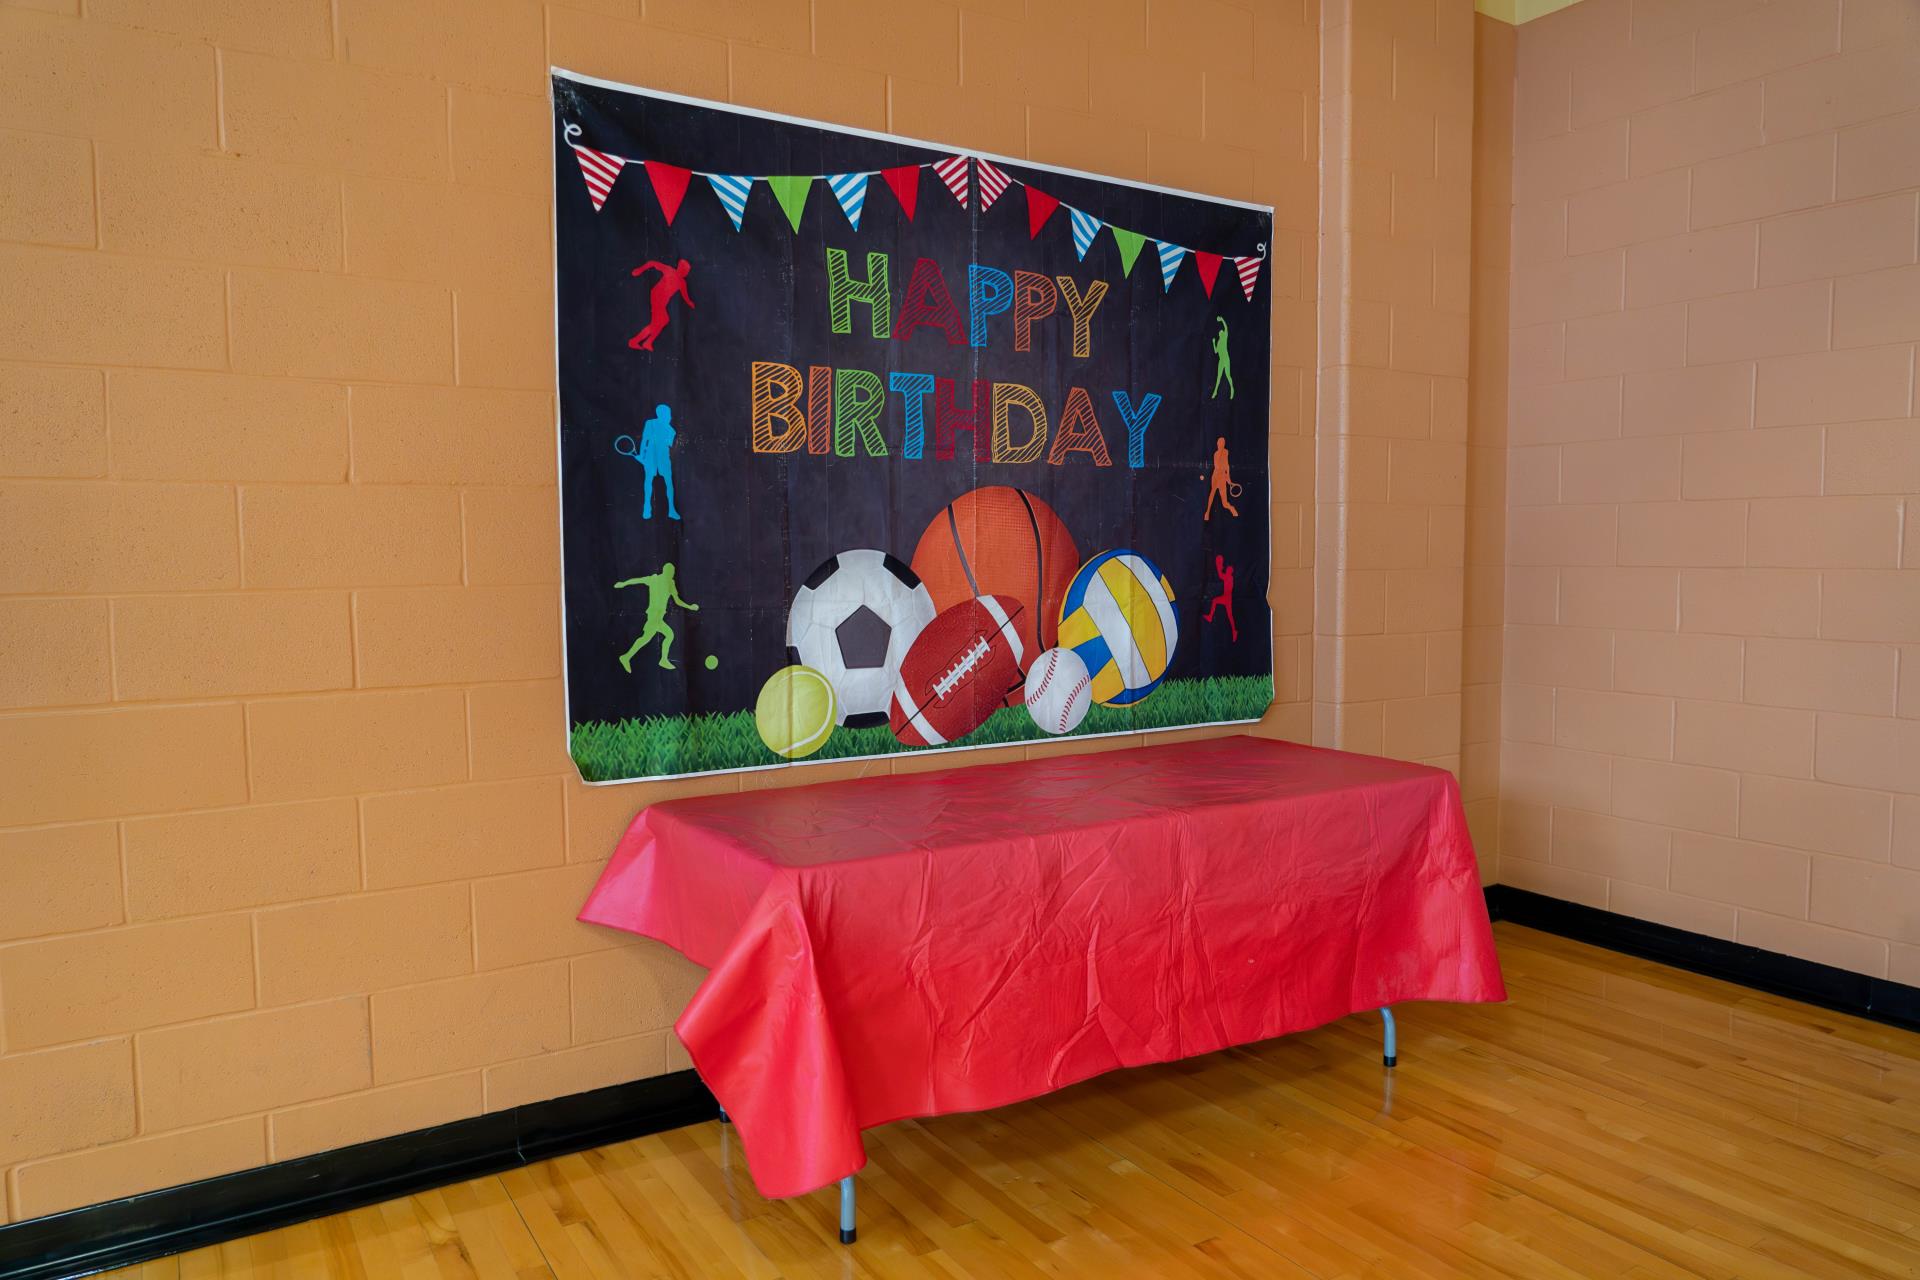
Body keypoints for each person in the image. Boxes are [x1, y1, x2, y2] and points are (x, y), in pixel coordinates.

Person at [614, 562, 698, 671]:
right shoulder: (654, 579)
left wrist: (690, 607)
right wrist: (623, 584)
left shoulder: (670, 583)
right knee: (647, 639)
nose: (672, 574)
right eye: (670, 572)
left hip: (658, 617)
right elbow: (638, 580)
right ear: (665, 571)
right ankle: (627, 657)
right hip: (654, 616)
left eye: (673, 572)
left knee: (664, 636)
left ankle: (660, 659)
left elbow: (677, 601)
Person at [629, 258, 695, 351]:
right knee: (659, 322)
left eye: (687, 271)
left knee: (661, 321)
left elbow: (685, 295)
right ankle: (637, 341)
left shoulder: (681, 282)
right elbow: (652, 263)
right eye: (686, 270)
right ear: (680, 268)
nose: (686, 273)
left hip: (662, 302)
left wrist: (690, 303)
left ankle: (646, 342)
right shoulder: (669, 271)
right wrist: (640, 270)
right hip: (656, 297)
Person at [636, 403, 680, 521]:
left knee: (669, 483)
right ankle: (646, 508)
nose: (670, 416)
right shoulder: (650, 424)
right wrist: (642, 456)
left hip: (663, 458)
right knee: (649, 481)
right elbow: (645, 440)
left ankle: (671, 509)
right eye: (668, 414)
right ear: (662, 414)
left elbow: (668, 445)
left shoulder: (671, 430)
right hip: (651, 457)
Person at [1204, 436, 1239, 521]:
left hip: (1222, 478)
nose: (1221, 445)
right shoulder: (1215, 454)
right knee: (1212, 493)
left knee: (1224, 503)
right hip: (1215, 477)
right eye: (1220, 443)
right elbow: (1218, 466)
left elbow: (1227, 466)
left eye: (1223, 443)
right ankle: (1207, 512)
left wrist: (1228, 478)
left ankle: (1231, 508)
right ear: (1217, 444)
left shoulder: (1226, 452)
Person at [1203, 554, 1237, 642]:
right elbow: (1221, 575)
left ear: (1230, 571)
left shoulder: (1229, 577)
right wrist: (1219, 564)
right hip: (1226, 598)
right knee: (1215, 601)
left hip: (1227, 599)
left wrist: (1218, 565)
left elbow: (1221, 575)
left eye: (1228, 570)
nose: (1227, 570)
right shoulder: (1229, 577)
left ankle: (1234, 630)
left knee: (1230, 615)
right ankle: (1210, 616)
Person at [1210, 316, 1234, 399]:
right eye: (1220, 332)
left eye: (1222, 332)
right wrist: (1213, 343)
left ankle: (1231, 388)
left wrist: (1222, 320)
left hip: (1226, 359)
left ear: (1223, 334)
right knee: (1218, 377)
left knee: (1228, 375)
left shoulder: (1224, 339)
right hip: (1221, 360)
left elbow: (1226, 327)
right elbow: (1216, 351)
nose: (1221, 332)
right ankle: (1215, 391)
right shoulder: (1219, 342)